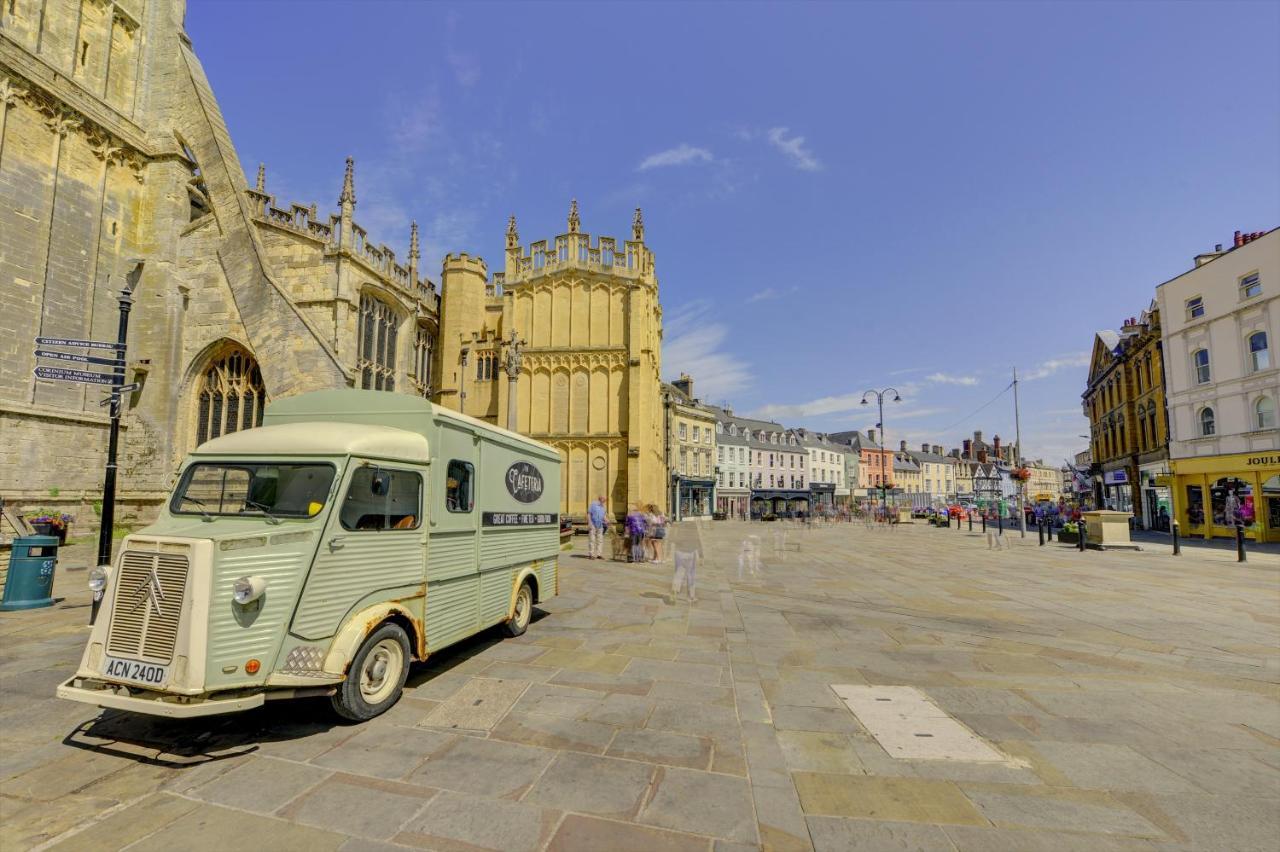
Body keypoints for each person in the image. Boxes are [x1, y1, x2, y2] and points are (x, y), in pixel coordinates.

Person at [587, 495, 608, 560]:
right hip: (593, 524)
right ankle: (591, 554)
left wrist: (606, 520)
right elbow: (589, 514)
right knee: (592, 539)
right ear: (600, 498)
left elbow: (604, 516)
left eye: (605, 500)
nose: (605, 501)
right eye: (604, 499)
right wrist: (589, 523)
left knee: (600, 540)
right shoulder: (593, 504)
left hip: (600, 525)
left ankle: (599, 554)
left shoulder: (603, 507)